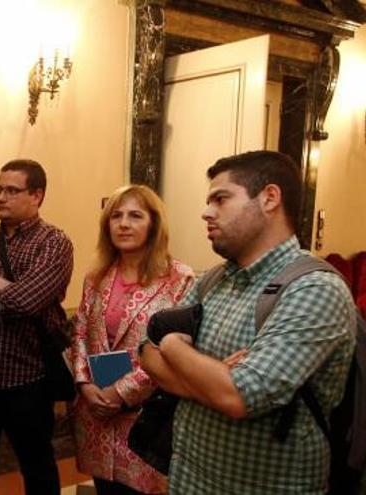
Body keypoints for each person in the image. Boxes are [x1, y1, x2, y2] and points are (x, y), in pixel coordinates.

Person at [140, 151, 356, 493]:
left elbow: (239, 396)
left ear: (269, 198)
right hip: (189, 478)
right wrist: (209, 379)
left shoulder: (315, 288)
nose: (205, 212)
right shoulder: (214, 279)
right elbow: (145, 351)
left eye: (220, 199)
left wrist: (173, 348)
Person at [0, 159, 73, 495]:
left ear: (37, 195)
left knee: (37, 465)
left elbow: (26, 301)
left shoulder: (52, 243)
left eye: (12, 190)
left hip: (26, 377)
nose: (1, 198)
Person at [68, 185, 194, 494]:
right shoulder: (97, 275)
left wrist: (120, 393)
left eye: (135, 216)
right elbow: (80, 331)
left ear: (154, 224)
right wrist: (85, 384)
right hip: (95, 412)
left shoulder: (180, 279)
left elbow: (171, 351)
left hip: (146, 418)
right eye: (116, 216)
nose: (123, 224)